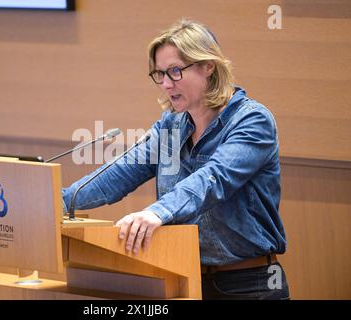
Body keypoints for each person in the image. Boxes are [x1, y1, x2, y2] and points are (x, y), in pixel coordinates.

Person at [61, 19, 290, 300]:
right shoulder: (171, 128)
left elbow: (213, 179)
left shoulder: (251, 121)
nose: (166, 84)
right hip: (181, 277)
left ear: (208, 66)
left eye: (175, 71)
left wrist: (158, 212)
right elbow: (119, 174)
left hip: (248, 284)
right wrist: (57, 203)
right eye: (160, 74)